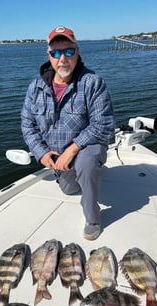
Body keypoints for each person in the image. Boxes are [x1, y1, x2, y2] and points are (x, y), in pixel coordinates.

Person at [21, 26, 115, 240]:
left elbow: (104, 124)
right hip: (57, 154)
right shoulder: (35, 88)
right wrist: (42, 152)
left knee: (86, 163)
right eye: (56, 52)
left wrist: (72, 150)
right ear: (49, 56)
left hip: (85, 147)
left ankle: (93, 217)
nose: (62, 58)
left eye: (68, 51)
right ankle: (84, 174)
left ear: (77, 52)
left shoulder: (93, 82)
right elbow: (27, 124)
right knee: (69, 190)